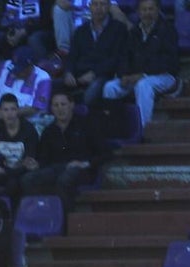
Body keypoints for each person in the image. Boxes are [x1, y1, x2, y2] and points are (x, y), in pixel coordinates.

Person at [21, 87, 109, 211]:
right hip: (56, 169)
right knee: (28, 179)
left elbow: (105, 153)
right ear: (51, 108)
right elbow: (44, 159)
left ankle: (65, 218)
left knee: (65, 179)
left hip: (81, 169)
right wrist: (36, 165)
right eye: (56, 105)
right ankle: (41, 214)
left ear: (71, 105)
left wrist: (85, 163)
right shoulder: (49, 131)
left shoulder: (87, 125)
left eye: (63, 104)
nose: (60, 108)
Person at [101, 0, 179, 128]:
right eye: (144, 9)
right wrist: (123, 75)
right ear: (138, 12)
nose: (147, 13)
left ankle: (142, 129)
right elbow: (124, 57)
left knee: (143, 85)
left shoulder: (168, 30)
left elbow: (168, 61)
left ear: (157, 10)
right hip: (136, 76)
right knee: (110, 87)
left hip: (165, 75)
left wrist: (143, 74)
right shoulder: (134, 32)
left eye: (150, 9)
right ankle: (112, 128)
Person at [63, 0, 127, 106]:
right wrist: (68, 72)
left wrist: (94, 73)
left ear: (109, 6)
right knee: (55, 87)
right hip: (78, 76)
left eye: (102, 4)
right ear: (90, 7)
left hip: (103, 76)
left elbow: (117, 58)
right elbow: (72, 56)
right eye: (95, 4)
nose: (99, 8)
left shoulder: (119, 29)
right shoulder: (80, 31)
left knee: (92, 91)